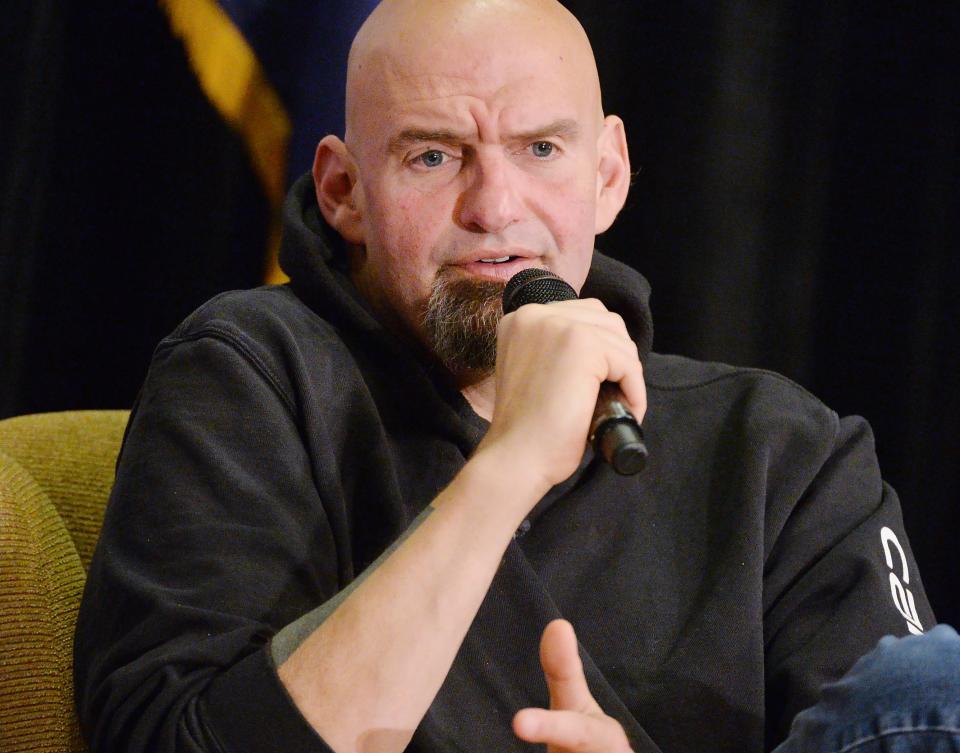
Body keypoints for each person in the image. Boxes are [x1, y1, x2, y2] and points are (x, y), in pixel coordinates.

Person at [74, 1, 953, 752]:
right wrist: (512, 462)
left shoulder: (785, 447)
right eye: (433, 156)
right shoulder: (247, 374)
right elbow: (170, 736)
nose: (495, 207)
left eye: (539, 150)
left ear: (607, 176)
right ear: (342, 191)